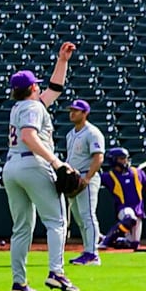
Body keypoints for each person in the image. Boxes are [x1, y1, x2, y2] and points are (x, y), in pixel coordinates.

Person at [0, 44, 81, 291]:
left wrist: (62, 61)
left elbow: (55, 89)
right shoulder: (34, 107)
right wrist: (56, 162)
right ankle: (57, 273)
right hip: (33, 163)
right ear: (33, 87)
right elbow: (28, 136)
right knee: (57, 221)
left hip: (11, 167)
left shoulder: (21, 106)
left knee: (22, 227)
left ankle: (19, 283)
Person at [61, 99, 106, 265]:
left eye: (76, 110)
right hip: (74, 179)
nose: (72, 113)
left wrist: (87, 179)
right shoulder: (70, 134)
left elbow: (98, 157)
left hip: (87, 176)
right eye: (71, 110)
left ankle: (93, 254)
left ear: (85, 113)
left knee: (87, 216)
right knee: (79, 218)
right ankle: (87, 250)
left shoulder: (92, 132)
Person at [105, 147, 146, 248]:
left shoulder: (137, 172)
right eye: (121, 158)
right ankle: (106, 241)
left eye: (125, 158)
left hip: (139, 211)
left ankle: (116, 240)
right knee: (130, 218)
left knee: (134, 244)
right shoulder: (109, 176)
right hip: (123, 208)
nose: (125, 161)